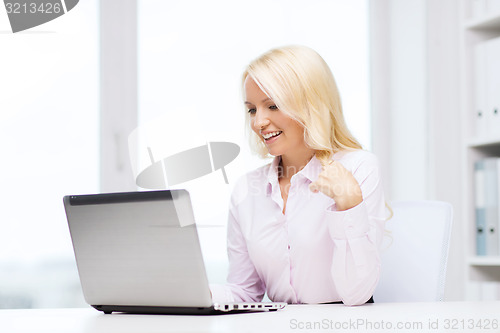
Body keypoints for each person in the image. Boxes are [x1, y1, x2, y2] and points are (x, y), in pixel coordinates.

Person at [210, 45, 386, 306]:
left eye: (272, 105)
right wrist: (191, 292)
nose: (259, 122)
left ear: (311, 105)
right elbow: (245, 293)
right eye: (252, 109)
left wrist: (349, 204)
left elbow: (356, 294)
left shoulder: (358, 168)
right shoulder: (247, 189)